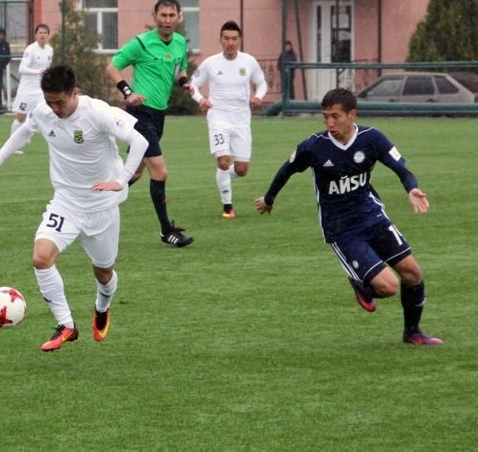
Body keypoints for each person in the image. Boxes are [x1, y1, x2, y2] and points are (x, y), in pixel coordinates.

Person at [254, 87, 443, 346]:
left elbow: (402, 170)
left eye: (335, 116)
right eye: (325, 117)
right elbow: (286, 170)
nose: (329, 123)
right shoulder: (314, 146)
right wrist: (269, 199)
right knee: (388, 287)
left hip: (373, 216)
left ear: (351, 115)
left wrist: (412, 189)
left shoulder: (372, 138)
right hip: (341, 229)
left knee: (412, 273)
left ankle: (413, 332)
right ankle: (361, 283)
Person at [0, 65, 148, 352]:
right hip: (66, 202)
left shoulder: (97, 112)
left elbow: (140, 140)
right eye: (50, 102)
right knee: (41, 257)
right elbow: (24, 131)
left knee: (104, 273)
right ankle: (66, 324)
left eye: (60, 102)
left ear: (74, 93)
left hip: (101, 206)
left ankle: (102, 306)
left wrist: (121, 181)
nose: (55, 109)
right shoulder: (43, 111)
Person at [106, 0, 193, 247]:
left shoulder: (179, 42)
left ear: (179, 17)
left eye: (171, 15)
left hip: (158, 115)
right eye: (163, 15)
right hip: (140, 113)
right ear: (154, 16)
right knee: (160, 172)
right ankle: (167, 231)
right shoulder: (141, 43)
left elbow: (180, 69)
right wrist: (128, 92)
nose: (167, 20)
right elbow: (112, 67)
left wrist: (185, 83)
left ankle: (97, 203)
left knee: (136, 171)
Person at [186, 20, 267, 219]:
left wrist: (258, 96)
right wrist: (201, 99)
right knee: (223, 162)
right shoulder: (210, 63)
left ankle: (222, 177)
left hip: (241, 119)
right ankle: (227, 207)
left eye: (234, 39)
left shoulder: (249, 61)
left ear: (240, 40)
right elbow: (191, 85)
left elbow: (261, 83)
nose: (230, 43)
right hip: (218, 117)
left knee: (241, 170)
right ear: (220, 40)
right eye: (226, 38)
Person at [9, 23, 53, 152]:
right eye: (40, 32)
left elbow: (47, 68)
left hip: (41, 89)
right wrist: (38, 72)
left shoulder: (49, 50)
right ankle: (12, 145)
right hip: (27, 89)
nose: (42, 35)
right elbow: (21, 69)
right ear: (36, 35)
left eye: (45, 33)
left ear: (48, 35)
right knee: (21, 116)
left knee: (45, 113)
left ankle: (49, 142)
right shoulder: (31, 49)